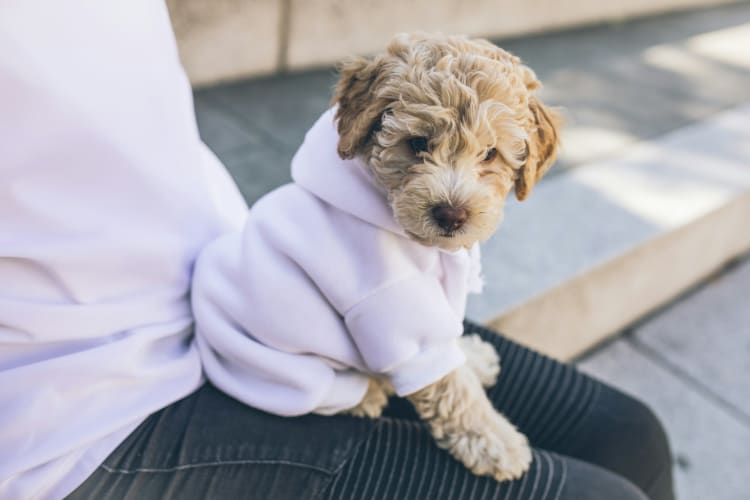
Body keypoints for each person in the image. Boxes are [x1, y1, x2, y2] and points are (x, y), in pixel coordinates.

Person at [0, 2, 675, 499]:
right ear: (365, 121)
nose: (454, 191)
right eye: (419, 144)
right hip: (87, 405)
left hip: (233, 282)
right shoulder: (364, 244)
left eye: (492, 158)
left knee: (631, 433)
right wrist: (455, 398)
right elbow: (412, 345)